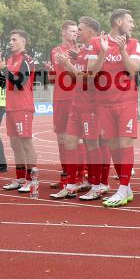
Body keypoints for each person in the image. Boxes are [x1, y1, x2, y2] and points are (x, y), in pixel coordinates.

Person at [51, 16, 106, 200]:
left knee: (92, 144)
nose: (77, 33)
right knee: (70, 142)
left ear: (90, 30)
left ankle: (96, 185)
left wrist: (67, 64)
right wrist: (74, 59)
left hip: (90, 105)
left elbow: (88, 77)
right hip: (76, 103)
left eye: (80, 29)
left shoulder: (96, 46)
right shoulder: (83, 50)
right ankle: (72, 184)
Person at [97, 9, 140, 208]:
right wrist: (103, 52)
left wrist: (122, 50)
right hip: (104, 102)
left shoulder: (134, 43)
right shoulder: (98, 42)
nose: (132, 24)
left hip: (126, 100)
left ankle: (122, 189)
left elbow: (133, 70)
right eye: (129, 21)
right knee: (113, 145)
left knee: (125, 143)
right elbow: (92, 71)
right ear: (118, 22)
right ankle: (127, 188)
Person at [0, 30, 39, 192]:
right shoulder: (10, 59)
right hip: (10, 107)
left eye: (14, 39)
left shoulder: (27, 59)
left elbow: (19, 82)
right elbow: (5, 82)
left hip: (22, 107)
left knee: (25, 142)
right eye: (9, 39)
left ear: (24, 41)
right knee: (15, 144)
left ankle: (32, 180)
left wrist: (4, 69)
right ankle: (20, 178)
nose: (10, 42)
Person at [48, 20, 83, 190]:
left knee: (77, 138)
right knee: (61, 138)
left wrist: (71, 61)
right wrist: (50, 73)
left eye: (77, 31)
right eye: (71, 31)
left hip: (75, 98)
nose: (75, 34)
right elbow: (55, 78)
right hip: (59, 99)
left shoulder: (80, 51)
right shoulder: (54, 51)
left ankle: (80, 177)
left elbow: (81, 75)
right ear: (63, 32)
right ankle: (66, 175)